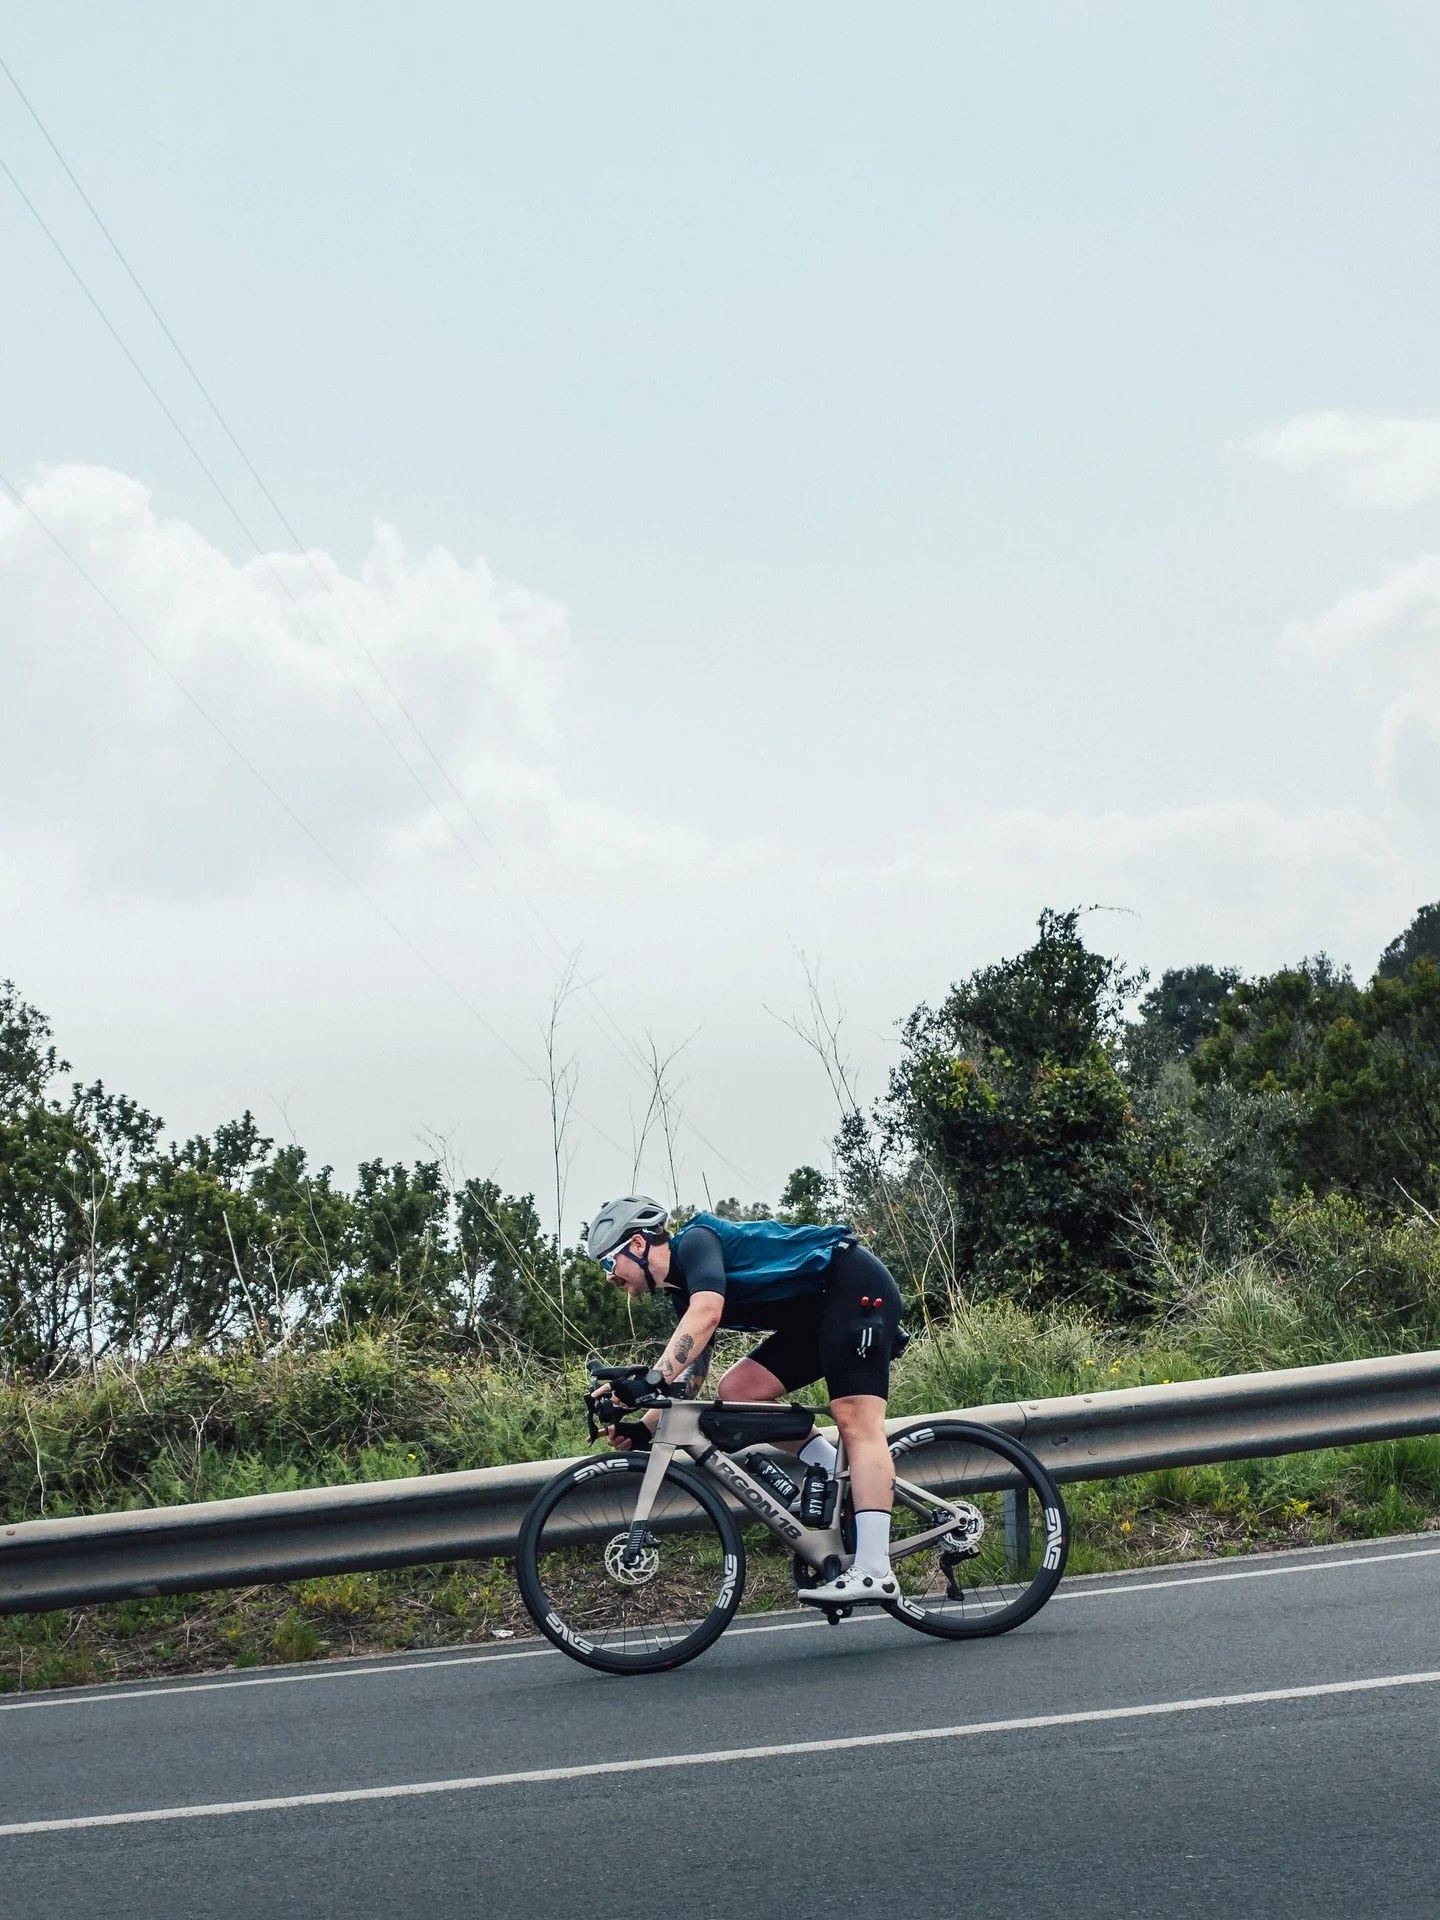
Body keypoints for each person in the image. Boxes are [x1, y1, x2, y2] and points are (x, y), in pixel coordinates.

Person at [586, 1194, 904, 1605]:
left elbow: (707, 1314)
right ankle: (832, 1472)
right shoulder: (685, 1292)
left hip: (852, 1287)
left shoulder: (696, 1242)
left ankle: (876, 1569)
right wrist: (643, 1427)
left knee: (856, 1420)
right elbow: (691, 1376)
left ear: (638, 1245)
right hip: (817, 1317)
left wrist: (648, 1379)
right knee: (736, 1392)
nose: (609, 1277)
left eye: (609, 1263)